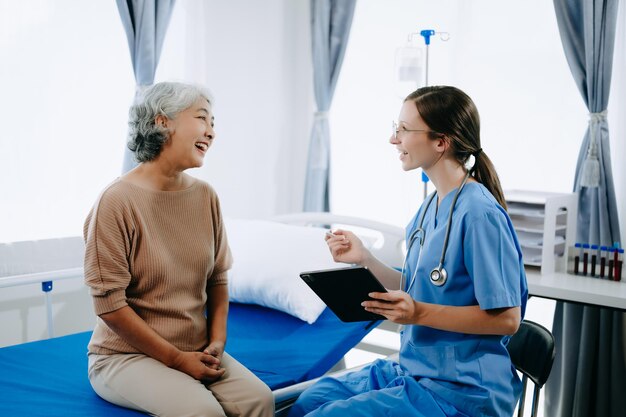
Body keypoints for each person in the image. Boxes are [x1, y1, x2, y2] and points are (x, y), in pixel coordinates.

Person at [289, 86, 528, 417]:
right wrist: (366, 260)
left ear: (441, 142)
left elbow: (507, 318)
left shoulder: (479, 214)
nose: (393, 139)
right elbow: (420, 286)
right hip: (413, 369)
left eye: (403, 130)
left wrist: (417, 313)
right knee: (308, 403)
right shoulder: (431, 205)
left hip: (462, 390)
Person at [84, 82, 274, 417]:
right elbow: (109, 306)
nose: (211, 132)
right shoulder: (116, 202)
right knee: (203, 413)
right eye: (203, 118)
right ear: (162, 122)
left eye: (214, 123)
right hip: (124, 356)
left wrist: (217, 341)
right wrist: (176, 360)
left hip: (196, 347)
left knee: (260, 400)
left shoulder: (205, 196)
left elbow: (217, 278)